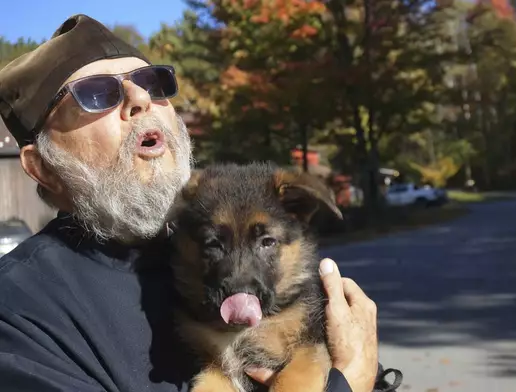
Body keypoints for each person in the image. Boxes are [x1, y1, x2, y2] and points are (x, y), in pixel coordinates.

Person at [0, 14, 402, 392]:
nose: (141, 98)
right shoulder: (20, 312)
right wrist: (349, 378)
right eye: (96, 94)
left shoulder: (198, 236)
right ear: (42, 167)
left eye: (153, 81)